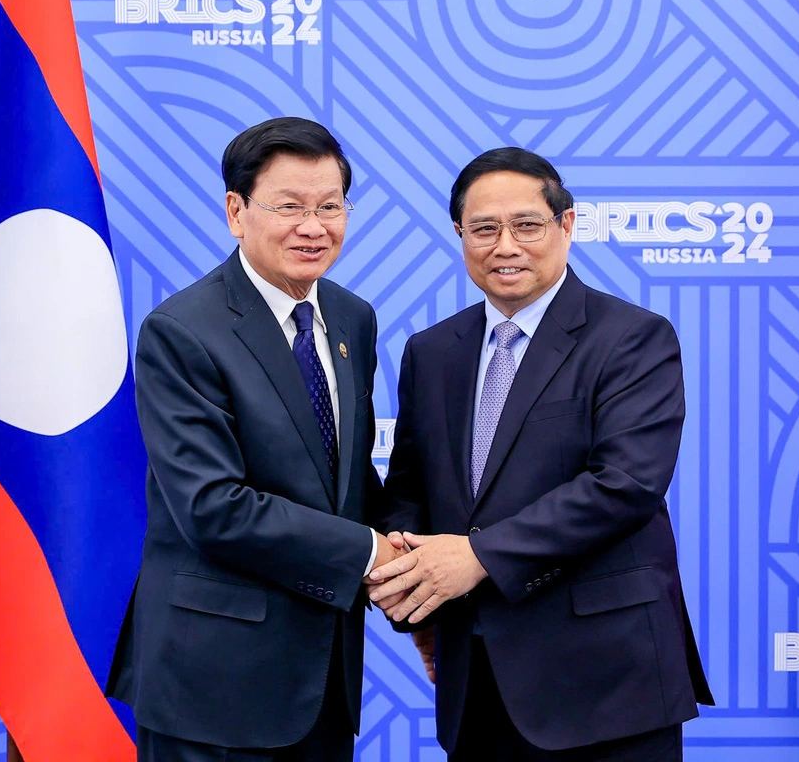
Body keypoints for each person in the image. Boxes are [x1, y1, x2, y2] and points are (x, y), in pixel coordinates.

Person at [368, 147, 714, 760]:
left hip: (606, 684)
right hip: (474, 676)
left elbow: (625, 485)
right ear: (459, 235)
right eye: (484, 229)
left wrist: (477, 555)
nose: (506, 246)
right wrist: (409, 588)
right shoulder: (432, 351)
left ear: (568, 225)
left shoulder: (632, 338)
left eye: (527, 225)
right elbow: (411, 489)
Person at [107, 117, 402, 761]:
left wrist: (416, 555)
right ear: (236, 212)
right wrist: (372, 553)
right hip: (213, 684)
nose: (314, 226)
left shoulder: (353, 317)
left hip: (323, 680)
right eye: (288, 206)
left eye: (331, 206)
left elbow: (345, 477)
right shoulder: (183, 330)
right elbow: (213, 508)